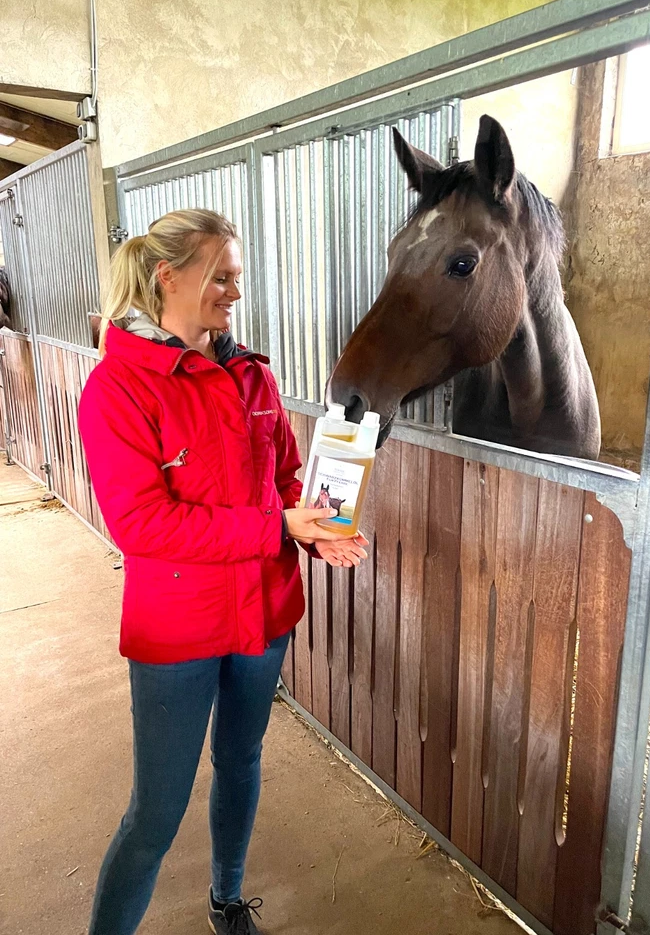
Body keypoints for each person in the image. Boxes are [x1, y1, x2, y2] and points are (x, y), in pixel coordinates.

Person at [78, 208, 368, 935]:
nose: (234, 292)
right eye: (221, 277)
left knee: (239, 761)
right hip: (178, 628)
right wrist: (276, 525)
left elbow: (288, 476)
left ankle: (226, 899)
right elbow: (140, 524)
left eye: (238, 278)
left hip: (263, 614)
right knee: (156, 811)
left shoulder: (251, 375)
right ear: (166, 277)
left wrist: (317, 528)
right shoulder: (118, 390)